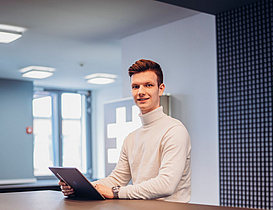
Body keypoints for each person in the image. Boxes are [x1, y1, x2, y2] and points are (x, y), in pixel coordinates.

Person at [60, 59, 191, 202]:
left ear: (160, 89)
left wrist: (115, 192)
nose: (141, 92)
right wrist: (80, 187)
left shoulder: (174, 131)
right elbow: (117, 179)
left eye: (148, 85)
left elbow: (166, 185)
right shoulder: (131, 138)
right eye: (135, 87)